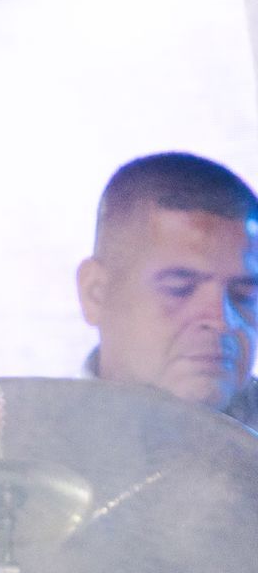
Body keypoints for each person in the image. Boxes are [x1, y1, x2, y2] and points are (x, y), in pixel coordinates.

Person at [75, 152, 258, 422]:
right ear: (96, 293)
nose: (221, 320)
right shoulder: (17, 449)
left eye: (244, 295)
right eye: (179, 288)